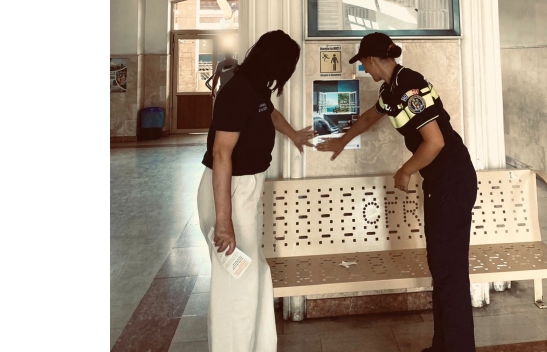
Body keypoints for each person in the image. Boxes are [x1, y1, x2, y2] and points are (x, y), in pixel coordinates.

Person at [316, 32, 478, 352]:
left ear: (372, 58)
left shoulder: (409, 85)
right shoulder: (391, 89)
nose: (363, 68)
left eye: (363, 62)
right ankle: (443, 346)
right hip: (440, 184)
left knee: (450, 272)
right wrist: (341, 140)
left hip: (453, 181)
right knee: (441, 268)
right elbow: (370, 117)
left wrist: (405, 170)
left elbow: (435, 142)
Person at [197, 30, 314, 352]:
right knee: (237, 279)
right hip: (228, 189)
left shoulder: (255, 87)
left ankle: (259, 345)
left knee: (253, 272)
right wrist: (224, 222)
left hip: (244, 189)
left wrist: (294, 135)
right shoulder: (238, 91)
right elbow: (221, 153)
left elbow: (270, 113)